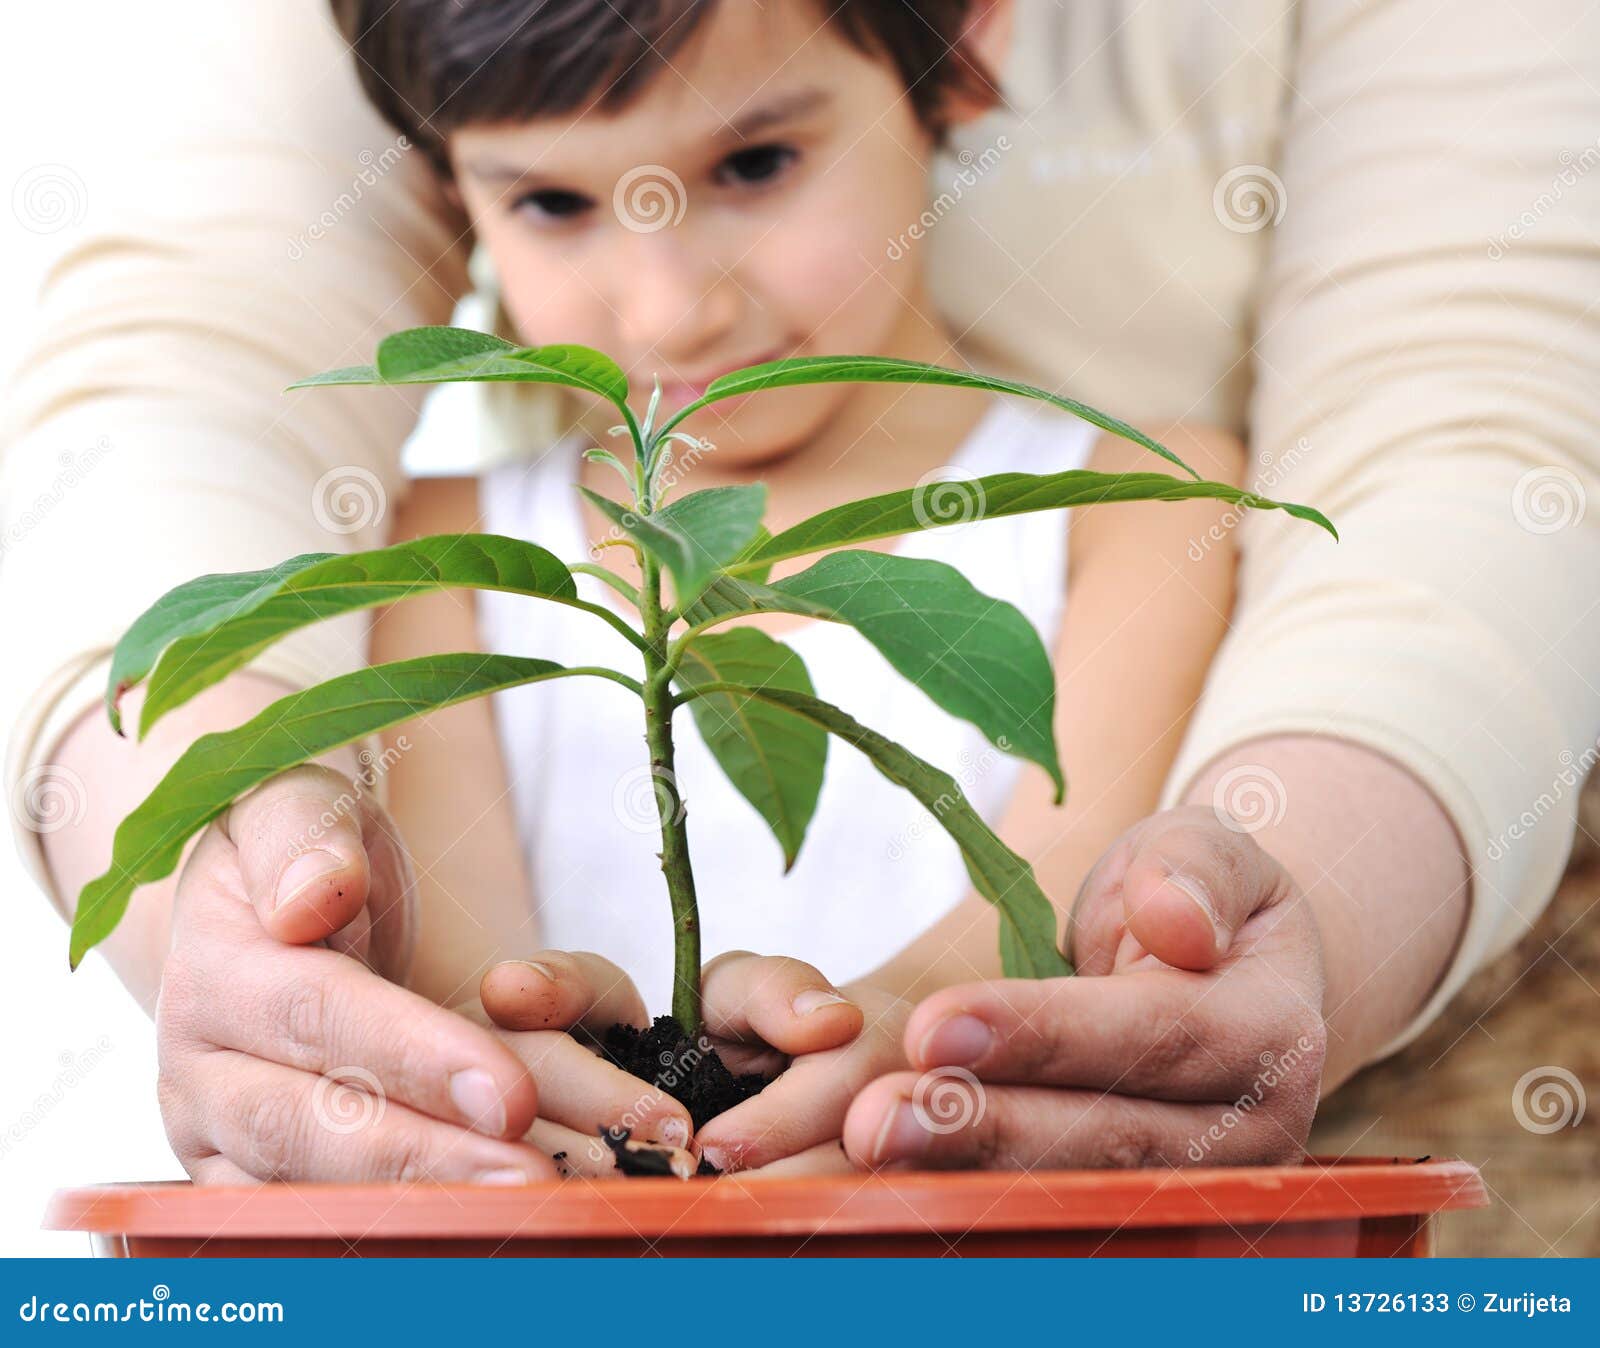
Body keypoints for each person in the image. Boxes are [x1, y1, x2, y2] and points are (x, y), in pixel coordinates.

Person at [6, 0, 1597, 1180]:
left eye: (757, 162)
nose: (670, 304)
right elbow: (474, 993)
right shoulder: (435, 548)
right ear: (444, 185)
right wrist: (531, 1074)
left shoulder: (1138, 508)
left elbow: (1048, 922)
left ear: (960, 57)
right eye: (551, 202)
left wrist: (880, 1041)